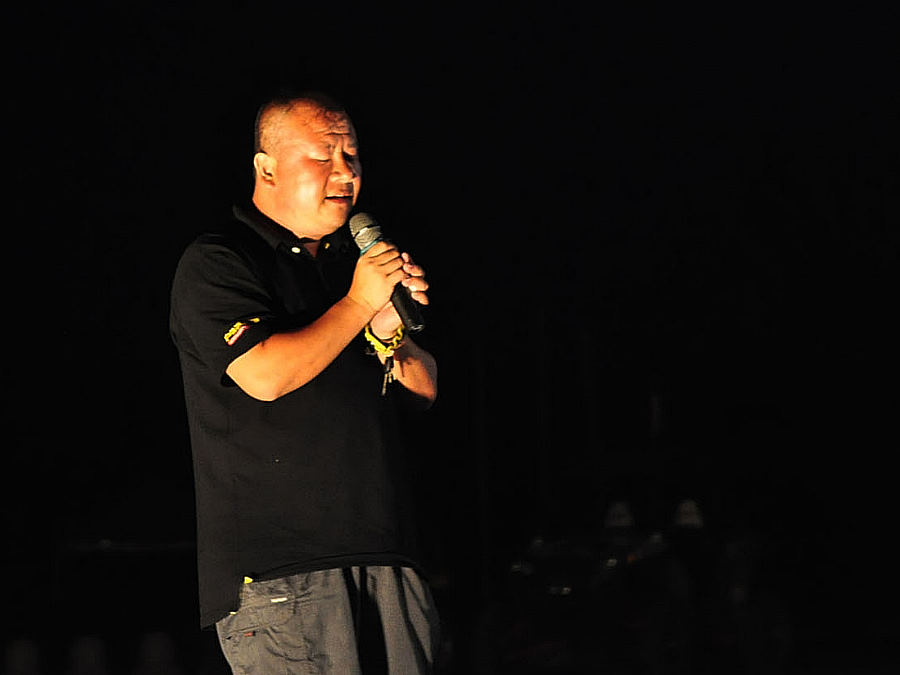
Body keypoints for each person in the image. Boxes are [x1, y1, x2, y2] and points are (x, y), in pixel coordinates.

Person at [169, 90, 440, 673]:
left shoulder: (352, 267)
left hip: (388, 558)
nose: (345, 172)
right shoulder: (222, 259)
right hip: (285, 575)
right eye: (323, 156)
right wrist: (358, 304)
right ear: (266, 168)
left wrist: (387, 332)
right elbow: (264, 374)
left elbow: (422, 391)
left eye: (352, 155)